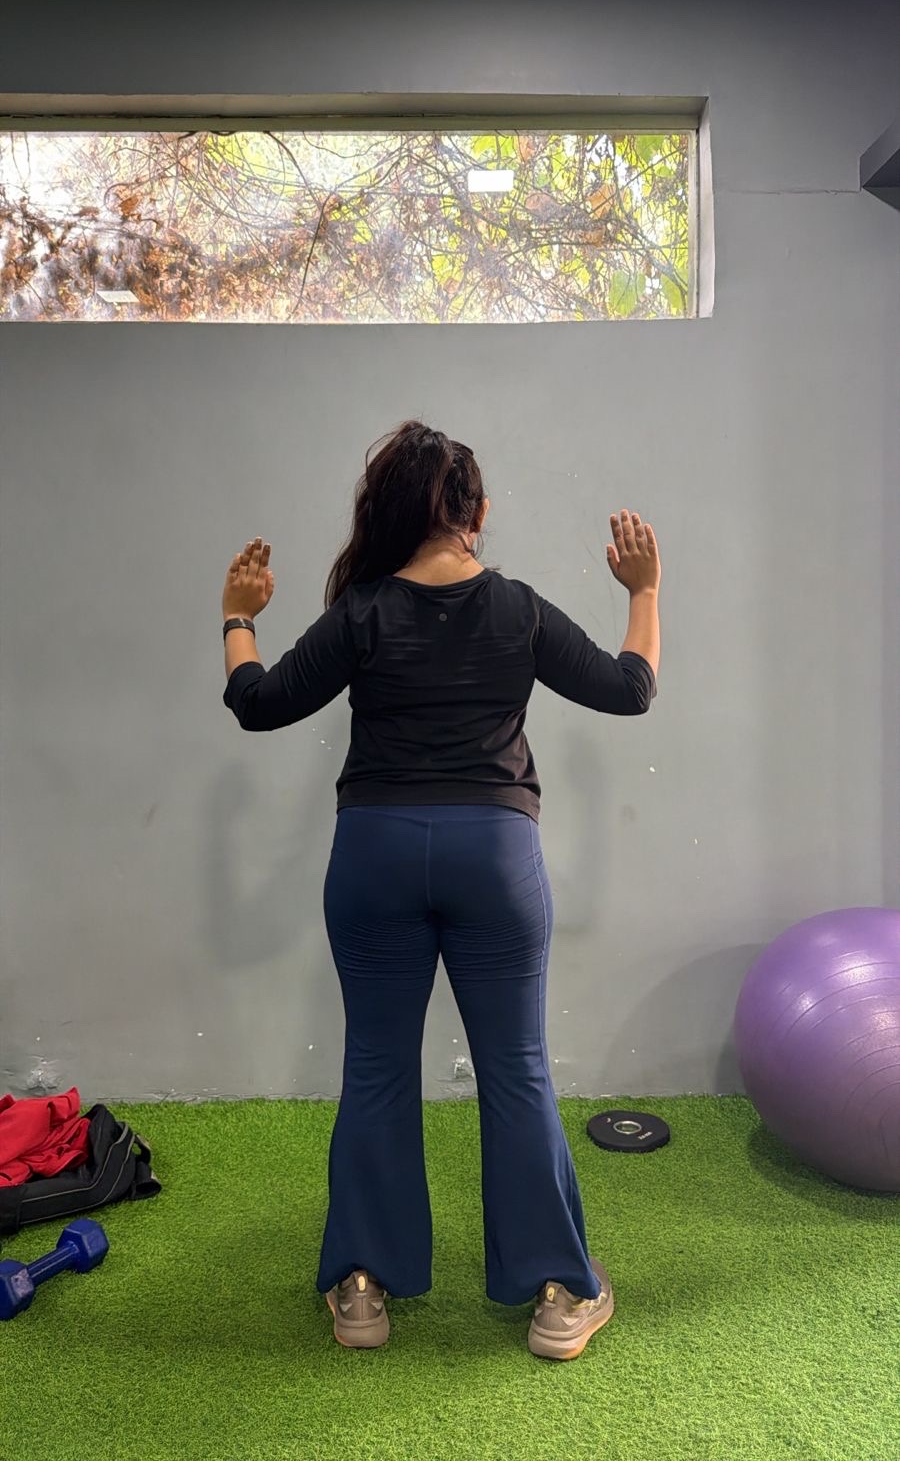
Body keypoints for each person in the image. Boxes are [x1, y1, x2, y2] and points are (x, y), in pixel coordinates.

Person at [221, 419, 661, 1361]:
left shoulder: (364, 612)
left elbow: (256, 704)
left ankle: (362, 1291)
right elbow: (631, 687)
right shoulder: (519, 610)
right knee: (517, 1068)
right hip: (493, 855)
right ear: (478, 513)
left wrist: (238, 618)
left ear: (390, 513)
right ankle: (559, 1297)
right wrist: (645, 591)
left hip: (374, 854)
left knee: (376, 1066)